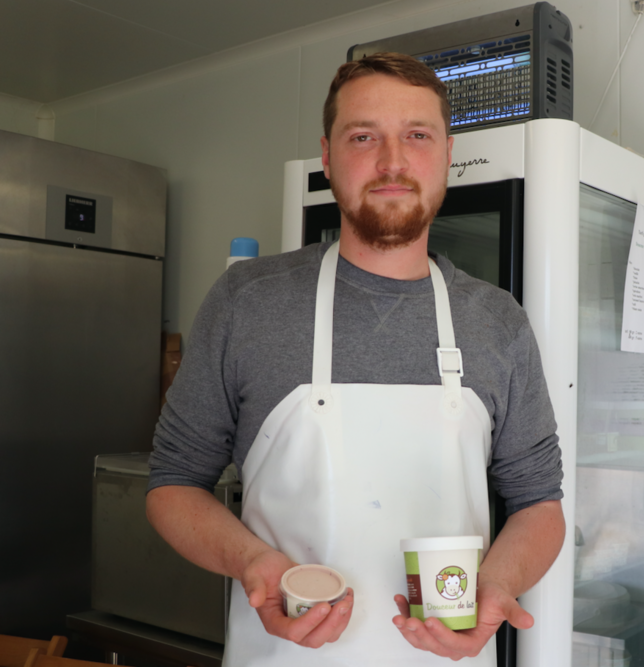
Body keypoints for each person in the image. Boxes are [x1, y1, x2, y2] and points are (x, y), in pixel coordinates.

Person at [146, 52, 565, 666]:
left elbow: (539, 503)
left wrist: (498, 584)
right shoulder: (247, 302)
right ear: (328, 156)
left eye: (417, 136)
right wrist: (253, 562)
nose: (392, 161)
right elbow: (172, 485)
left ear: (448, 153)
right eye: (363, 136)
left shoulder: (497, 320)